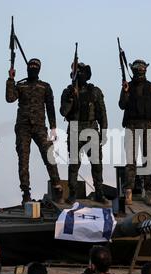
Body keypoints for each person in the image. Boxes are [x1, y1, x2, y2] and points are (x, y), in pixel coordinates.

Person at [6, 58, 63, 204]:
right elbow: (10, 98)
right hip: (23, 127)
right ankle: (26, 192)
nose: (32, 68)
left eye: (35, 66)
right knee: (23, 159)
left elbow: (50, 106)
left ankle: (57, 186)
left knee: (48, 154)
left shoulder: (44, 87)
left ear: (39, 69)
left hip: (39, 127)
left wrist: (53, 127)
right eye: (30, 66)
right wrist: (11, 79)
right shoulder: (21, 86)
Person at [60, 63, 108, 204]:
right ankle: (73, 193)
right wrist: (71, 98)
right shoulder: (68, 91)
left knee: (97, 163)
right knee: (74, 164)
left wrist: (104, 131)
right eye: (76, 73)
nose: (79, 76)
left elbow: (102, 112)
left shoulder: (95, 91)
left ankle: (99, 193)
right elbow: (63, 112)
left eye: (81, 73)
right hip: (75, 128)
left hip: (91, 128)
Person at [119, 59, 151, 206]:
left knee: (147, 160)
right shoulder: (128, 86)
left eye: (142, 69)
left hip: (148, 125)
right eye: (137, 69)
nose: (140, 71)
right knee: (130, 160)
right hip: (131, 125)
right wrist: (125, 92)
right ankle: (128, 192)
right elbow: (122, 105)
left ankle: (148, 193)